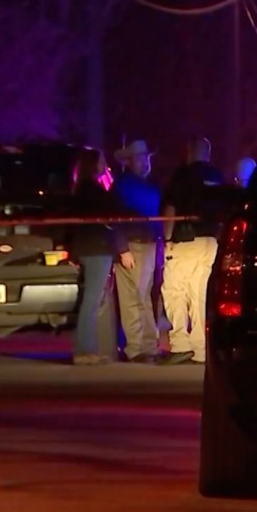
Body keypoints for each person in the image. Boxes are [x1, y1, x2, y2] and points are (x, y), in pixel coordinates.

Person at [159, 137, 233, 365]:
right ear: (208, 154)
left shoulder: (182, 175)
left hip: (185, 239)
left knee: (174, 291)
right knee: (200, 294)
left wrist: (168, 239)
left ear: (189, 151)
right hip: (210, 241)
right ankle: (201, 348)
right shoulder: (217, 176)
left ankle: (180, 344)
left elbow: (170, 207)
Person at [67, 149, 123, 365]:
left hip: (89, 247)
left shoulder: (80, 189)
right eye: (101, 162)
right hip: (97, 248)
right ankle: (84, 350)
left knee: (92, 298)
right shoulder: (92, 190)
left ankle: (89, 348)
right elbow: (112, 208)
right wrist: (110, 183)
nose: (104, 166)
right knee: (92, 299)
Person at [111, 139, 162, 363]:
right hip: (133, 244)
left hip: (148, 243)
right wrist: (123, 248)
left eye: (147, 157)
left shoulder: (147, 185)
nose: (146, 161)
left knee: (144, 297)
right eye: (141, 158)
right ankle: (136, 347)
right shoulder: (123, 185)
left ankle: (148, 345)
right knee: (134, 297)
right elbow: (115, 219)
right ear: (129, 161)